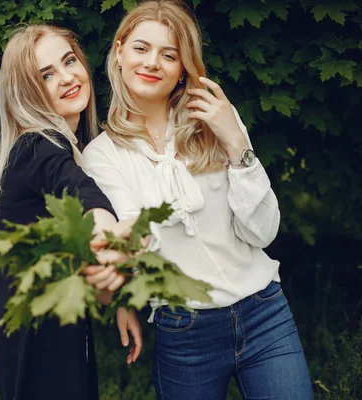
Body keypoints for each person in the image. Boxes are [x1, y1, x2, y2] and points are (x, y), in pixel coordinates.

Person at [82, 1, 314, 399]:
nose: (153, 62)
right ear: (119, 52)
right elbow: (137, 235)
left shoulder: (215, 119)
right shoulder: (102, 156)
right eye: (141, 48)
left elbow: (262, 232)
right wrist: (121, 287)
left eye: (169, 54)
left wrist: (236, 141)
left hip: (264, 312)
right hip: (185, 331)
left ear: (182, 69)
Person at [0, 25, 142, 400]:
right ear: (27, 93)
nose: (67, 77)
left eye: (69, 61)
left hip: (54, 324)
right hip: (40, 339)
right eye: (46, 75)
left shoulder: (67, 146)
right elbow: (86, 200)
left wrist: (117, 293)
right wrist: (113, 241)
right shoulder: (37, 146)